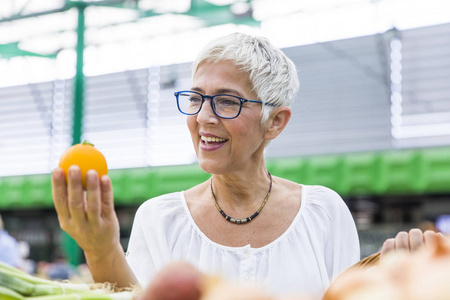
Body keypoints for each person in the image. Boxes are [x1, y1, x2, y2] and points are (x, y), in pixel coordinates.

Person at [51, 32, 360, 298]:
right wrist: (101, 250)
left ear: (275, 122)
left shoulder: (324, 213)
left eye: (227, 101)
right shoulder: (160, 219)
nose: (203, 117)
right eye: (196, 98)